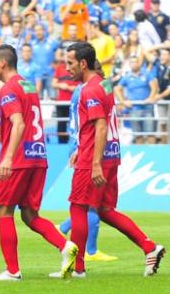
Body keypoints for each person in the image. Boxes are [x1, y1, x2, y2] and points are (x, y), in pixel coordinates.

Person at [0, 45, 78, 281]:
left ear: (3, 63)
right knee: (30, 215)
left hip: (19, 159)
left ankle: (12, 271)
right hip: (38, 156)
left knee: (4, 210)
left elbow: (20, 124)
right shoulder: (27, 84)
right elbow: (24, 123)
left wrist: (8, 158)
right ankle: (65, 246)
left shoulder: (7, 89)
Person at [64, 41, 165, 278]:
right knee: (105, 210)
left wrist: (93, 160)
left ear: (83, 63)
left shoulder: (89, 90)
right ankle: (149, 247)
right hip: (110, 154)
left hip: (94, 159)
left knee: (77, 207)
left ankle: (77, 268)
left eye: (69, 63)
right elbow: (101, 123)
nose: (66, 68)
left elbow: (100, 126)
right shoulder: (105, 85)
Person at [58, 60, 118, 262]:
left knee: (88, 204)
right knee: (88, 204)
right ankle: (89, 251)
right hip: (82, 147)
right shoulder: (85, 90)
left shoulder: (96, 87)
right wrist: (78, 148)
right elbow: (81, 125)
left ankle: (63, 230)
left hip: (88, 147)